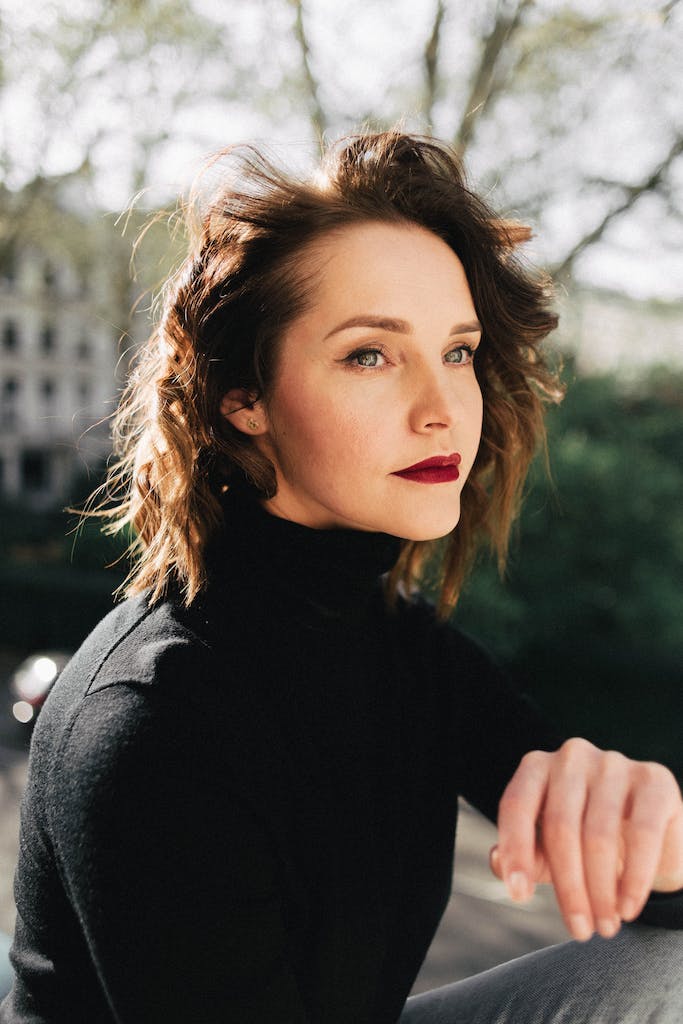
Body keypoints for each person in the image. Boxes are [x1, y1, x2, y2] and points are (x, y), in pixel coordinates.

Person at [1, 131, 681, 1024]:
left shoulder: (401, 650)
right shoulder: (152, 720)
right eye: (370, 354)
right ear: (241, 396)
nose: (442, 411)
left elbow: (656, 903)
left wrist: (659, 839)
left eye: (457, 352)